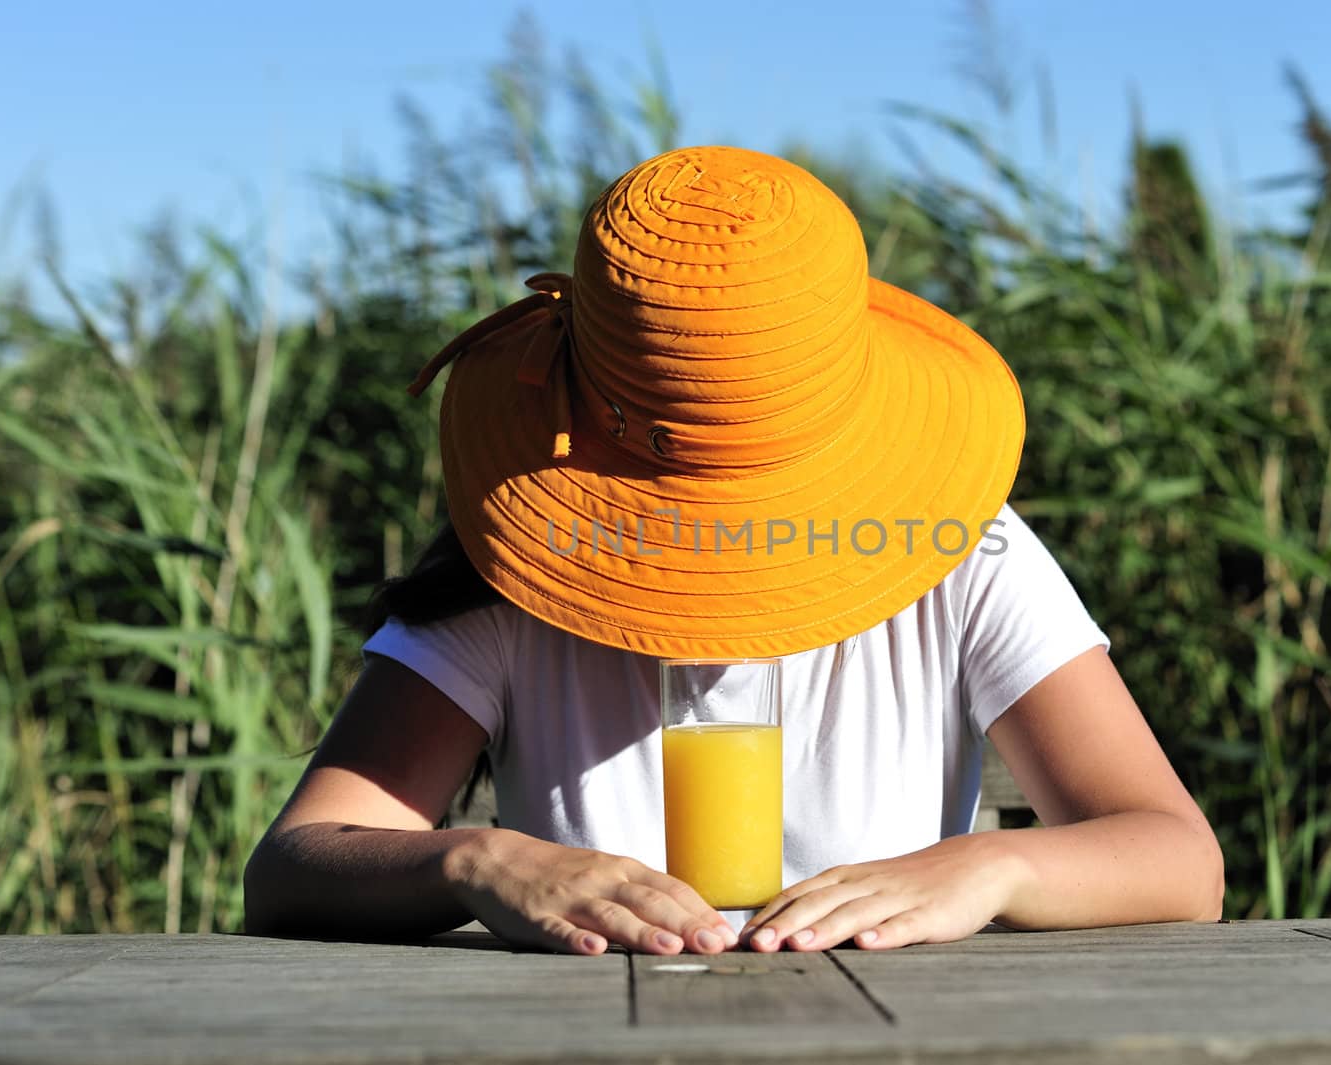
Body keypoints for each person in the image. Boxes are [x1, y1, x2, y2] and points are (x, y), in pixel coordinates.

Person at [243, 146, 1224, 957]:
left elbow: (1180, 860)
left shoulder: (961, 553)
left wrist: (987, 867)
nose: (723, 559)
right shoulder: (512, 566)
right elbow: (290, 869)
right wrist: (477, 861)